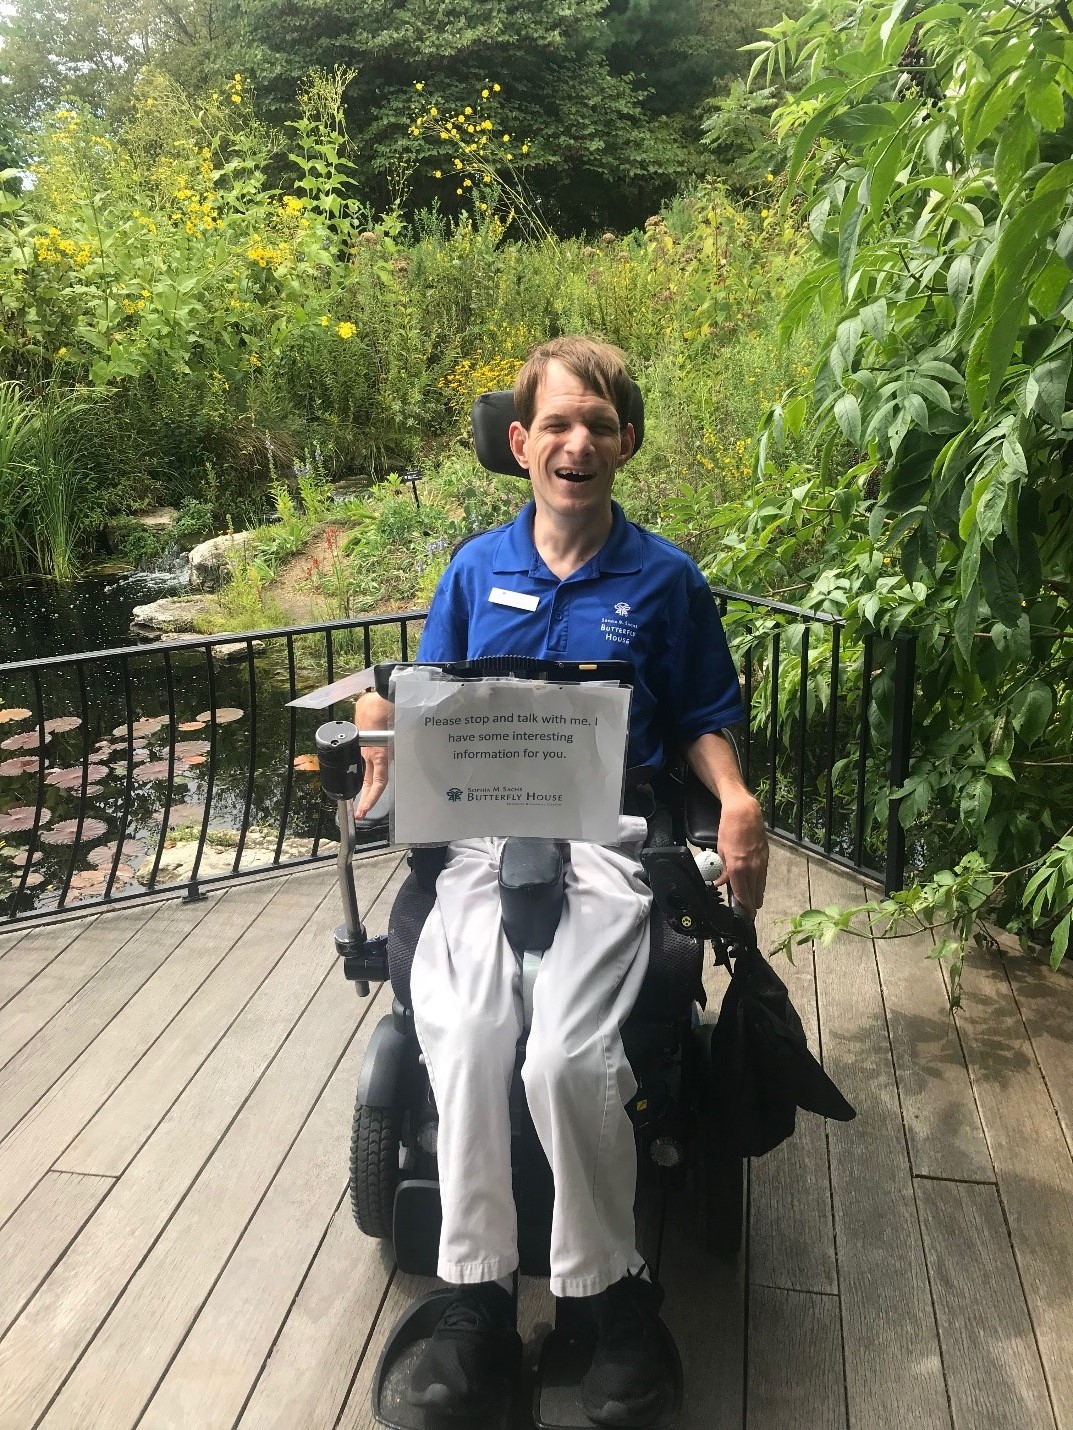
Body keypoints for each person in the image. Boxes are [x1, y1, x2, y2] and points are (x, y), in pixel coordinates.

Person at [354, 337, 768, 1425]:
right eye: (554, 422)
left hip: (601, 839)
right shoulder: (471, 567)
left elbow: (701, 719)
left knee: (563, 1054)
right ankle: (474, 1297)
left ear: (621, 441)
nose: (574, 440)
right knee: (472, 1030)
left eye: (596, 422)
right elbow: (423, 696)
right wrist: (379, 735)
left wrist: (731, 796)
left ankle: (607, 1294)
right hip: (485, 837)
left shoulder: (664, 579)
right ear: (518, 440)